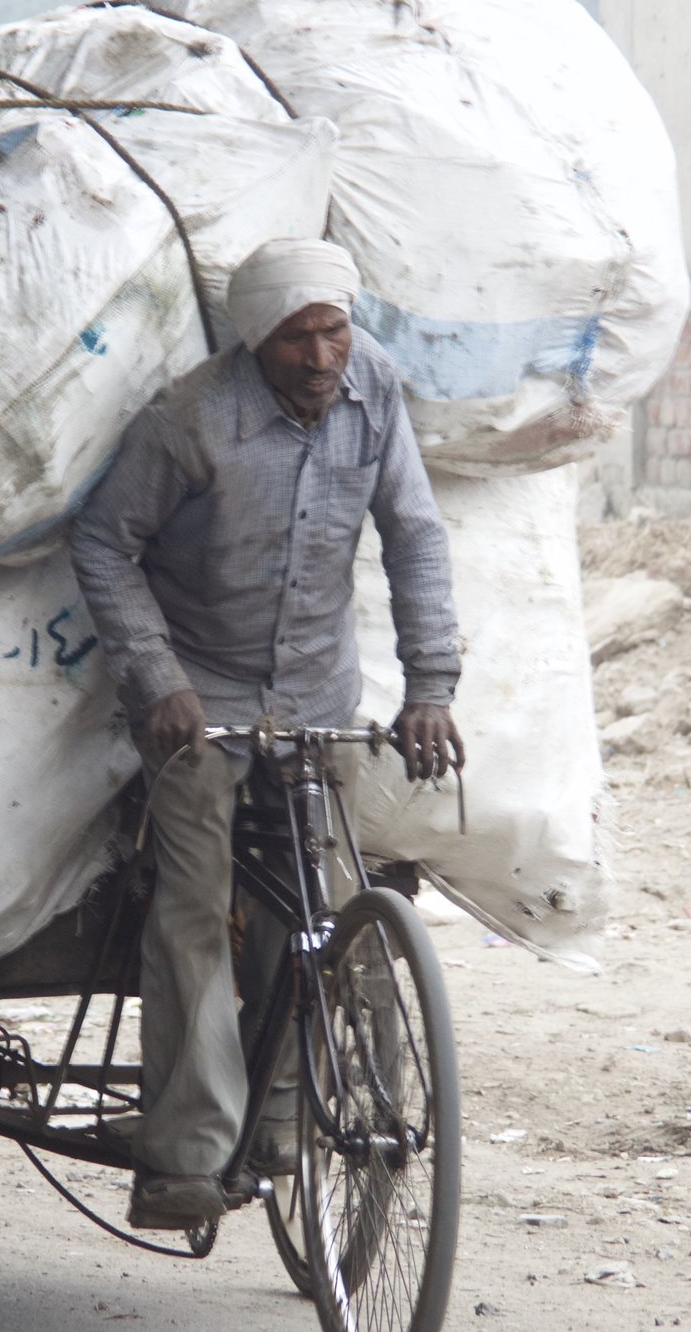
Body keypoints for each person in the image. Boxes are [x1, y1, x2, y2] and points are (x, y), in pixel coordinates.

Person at [68, 237, 463, 1231]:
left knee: (330, 917)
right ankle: (184, 1157)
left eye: (335, 330)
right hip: (200, 703)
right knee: (193, 907)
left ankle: (287, 1123)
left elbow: (413, 530)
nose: (323, 357)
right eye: (299, 339)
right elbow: (103, 541)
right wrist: (154, 677)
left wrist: (431, 684)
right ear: (257, 343)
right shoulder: (192, 420)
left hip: (317, 697)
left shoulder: (373, 392)